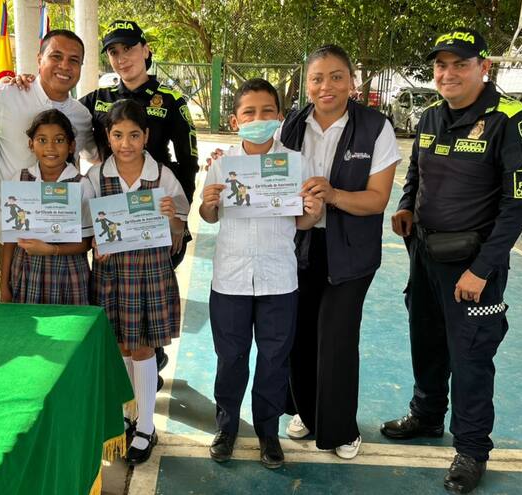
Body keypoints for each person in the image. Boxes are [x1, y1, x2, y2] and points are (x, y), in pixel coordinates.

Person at [384, 28, 522, 494]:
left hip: (474, 265)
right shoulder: (431, 116)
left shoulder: (513, 120)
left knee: (471, 357)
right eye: (441, 65)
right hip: (426, 255)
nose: (448, 73)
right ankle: (428, 415)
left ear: (484, 67)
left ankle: (471, 449)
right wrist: (407, 204)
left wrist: (483, 269)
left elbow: (521, 204)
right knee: (426, 340)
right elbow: (417, 168)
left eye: (460, 64)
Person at [278, 45, 401, 460]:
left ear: (352, 81)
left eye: (335, 77)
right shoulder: (292, 125)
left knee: (336, 338)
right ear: (307, 85)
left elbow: (378, 199)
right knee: (300, 335)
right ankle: (308, 414)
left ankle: (341, 428)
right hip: (300, 244)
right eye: (316, 78)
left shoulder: (375, 127)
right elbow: (269, 179)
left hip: (350, 251)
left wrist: (332, 194)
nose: (325, 86)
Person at [199, 79, 323, 469]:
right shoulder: (222, 164)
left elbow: (301, 222)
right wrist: (207, 203)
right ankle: (228, 427)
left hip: (279, 279)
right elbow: (209, 216)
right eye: (249, 113)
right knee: (230, 358)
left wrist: (313, 213)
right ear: (236, 121)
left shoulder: (296, 164)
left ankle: (269, 432)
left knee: (274, 359)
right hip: (231, 279)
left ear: (280, 118)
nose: (258, 119)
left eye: (267, 111)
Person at [82, 100, 190, 465]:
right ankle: (129, 414)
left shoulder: (163, 176)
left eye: (133, 135)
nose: (125, 143)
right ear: (107, 137)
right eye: (117, 135)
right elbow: (90, 230)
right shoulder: (95, 177)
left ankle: (146, 426)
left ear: (146, 136)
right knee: (122, 348)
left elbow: (180, 230)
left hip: (150, 272)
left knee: (143, 347)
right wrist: (98, 243)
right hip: (112, 274)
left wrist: (173, 217)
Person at [0, 29, 98, 282]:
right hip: (13, 237)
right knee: (16, 312)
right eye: (56, 56)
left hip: (64, 236)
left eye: (74, 60)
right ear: (39, 59)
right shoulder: (5, 96)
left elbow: (96, 157)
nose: (64, 66)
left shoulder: (81, 116)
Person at [79, 20, 197, 268]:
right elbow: (56, 113)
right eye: (114, 52)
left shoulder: (171, 100)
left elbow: (188, 162)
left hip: (155, 213)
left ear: (145, 50)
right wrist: (21, 84)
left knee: (153, 285)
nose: (121, 58)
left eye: (129, 48)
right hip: (110, 214)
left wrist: (180, 221)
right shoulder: (97, 99)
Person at [0, 109, 93, 304]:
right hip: (26, 271)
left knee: (69, 329)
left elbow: (85, 244)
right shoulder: (20, 179)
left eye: (59, 140)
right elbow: (9, 241)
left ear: (71, 146)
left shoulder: (81, 184)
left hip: (69, 273)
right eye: (42, 140)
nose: (50, 147)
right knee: (27, 328)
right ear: (30, 144)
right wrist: (4, 286)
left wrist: (51, 250)